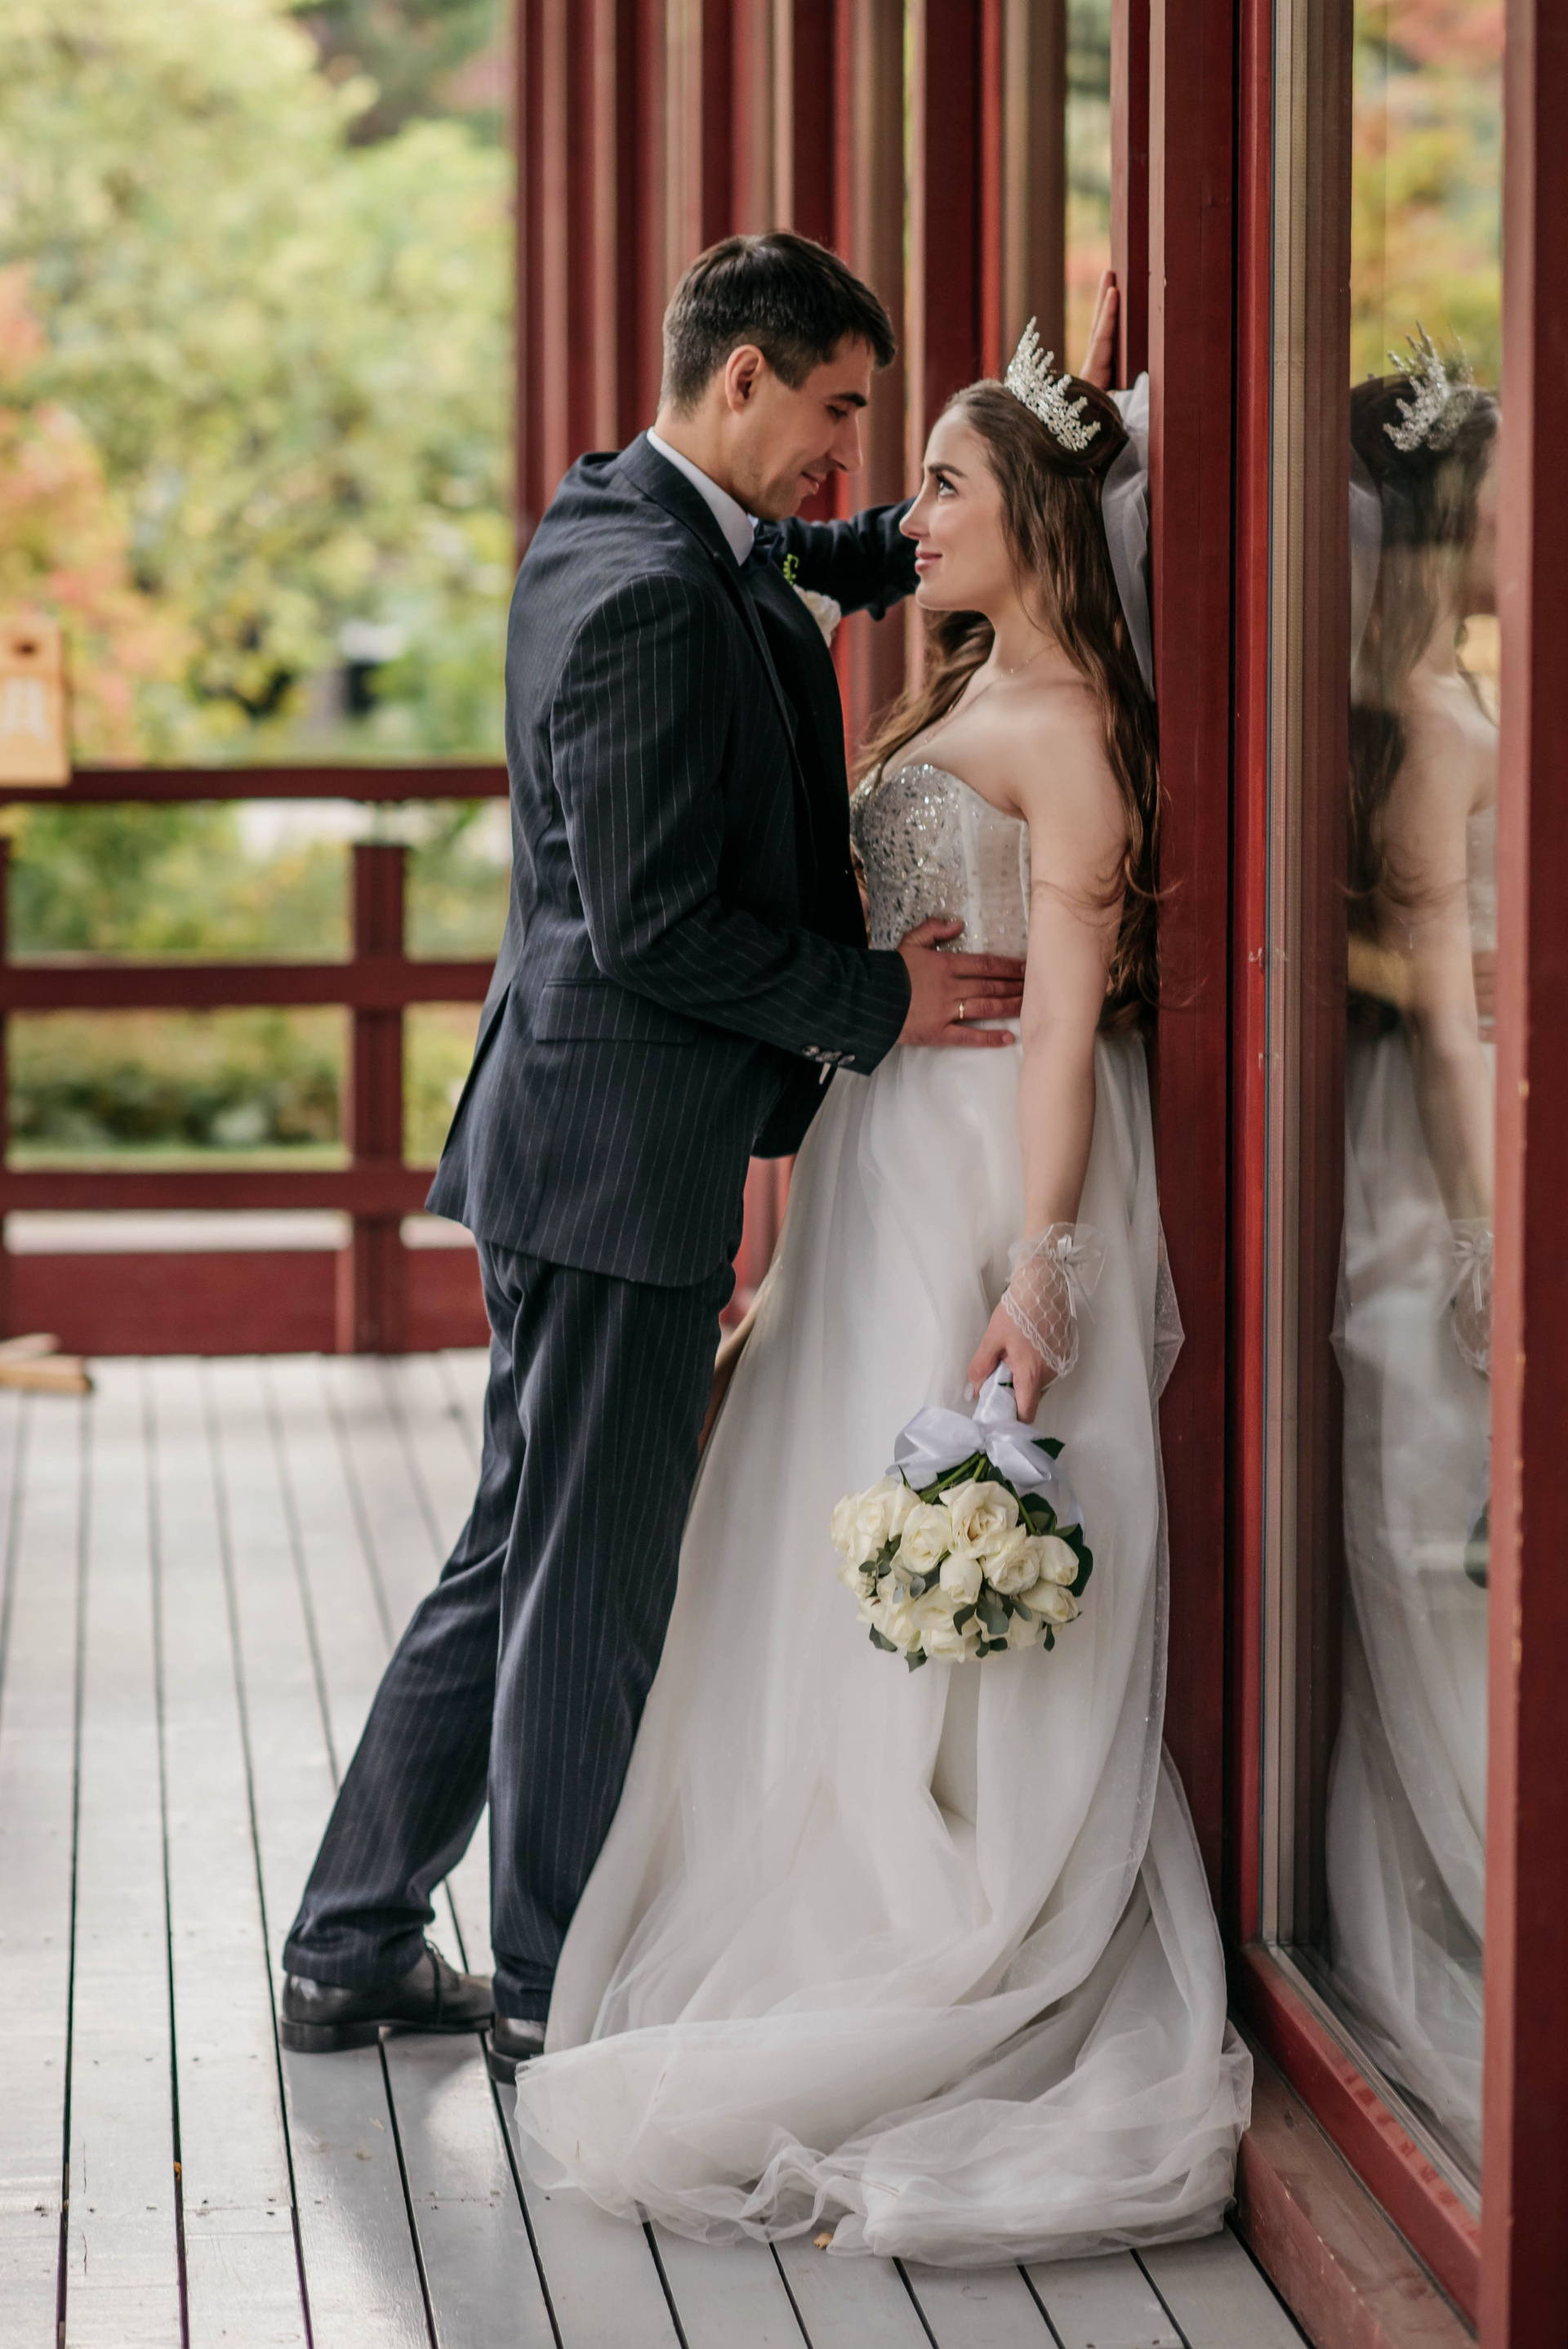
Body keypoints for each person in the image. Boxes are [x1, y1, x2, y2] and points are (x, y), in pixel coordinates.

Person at [507, 322, 1251, 2263]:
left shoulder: (1067, 727)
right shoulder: (969, 674)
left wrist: (1044, 1263)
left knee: (935, 1498)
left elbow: (1065, 1024)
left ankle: (948, 1894)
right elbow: (801, 556)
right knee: (808, 1512)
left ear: (1039, 525)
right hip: (873, 1151)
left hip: (982, 1166)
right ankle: (809, 1846)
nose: (903, 513)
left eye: (942, 483)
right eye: (887, 460)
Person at [277, 233, 1028, 2067]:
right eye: (838, 409)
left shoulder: (634, 514)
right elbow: (653, 926)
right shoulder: (650, 591)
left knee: (519, 1546)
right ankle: (553, 1980)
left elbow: (826, 559)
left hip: (571, 1139)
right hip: (614, 1162)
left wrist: (1022, 457)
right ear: (744, 375)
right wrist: (879, 1000)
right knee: (590, 1582)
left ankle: (352, 1938)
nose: (850, 456)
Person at [1326, 341, 1499, 2168]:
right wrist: (1487, 1226)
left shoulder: (1428, 693)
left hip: (1427, 1131)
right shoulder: (1436, 719)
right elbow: (1451, 1021)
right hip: (1439, 1152)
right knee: (1449, 1533)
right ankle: (1466, 1906)